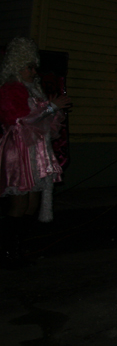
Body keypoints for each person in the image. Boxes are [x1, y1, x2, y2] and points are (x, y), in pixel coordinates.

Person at [0, 36, 71, 267]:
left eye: (34, 67)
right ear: (17, 66)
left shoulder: (33, 90)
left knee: (32, 203)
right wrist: (50, 107)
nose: (34, 71)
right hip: (19, 150)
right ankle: (9, 250)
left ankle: (20, 245)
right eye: (29, 67)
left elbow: (43, 122)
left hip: (35, 151)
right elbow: (18, 120)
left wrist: (52, 110)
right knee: (20, 203)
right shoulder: (10, 89)